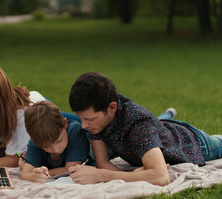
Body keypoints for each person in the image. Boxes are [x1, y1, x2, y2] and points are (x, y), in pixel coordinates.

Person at [68, 72, 222, 186]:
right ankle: (167, 115)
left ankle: (167, 115)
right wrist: (129, 175)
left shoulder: (139, 125)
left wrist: (100, 175)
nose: (83, 126)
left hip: (194, 143)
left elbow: (161, 177)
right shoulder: (98, 114)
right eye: (80, 118)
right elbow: (102, 161)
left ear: (112, 108)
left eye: (89, 119)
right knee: (160, 122)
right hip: (160, 130)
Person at [20, 101, 92, 183]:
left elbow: (70, 169)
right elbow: (25, 175)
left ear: (65, 124)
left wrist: (40, 173)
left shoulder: (74, 131)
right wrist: (34, 175)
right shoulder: (35, 142)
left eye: (60, 140)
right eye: (46, 146)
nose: (56, 149)